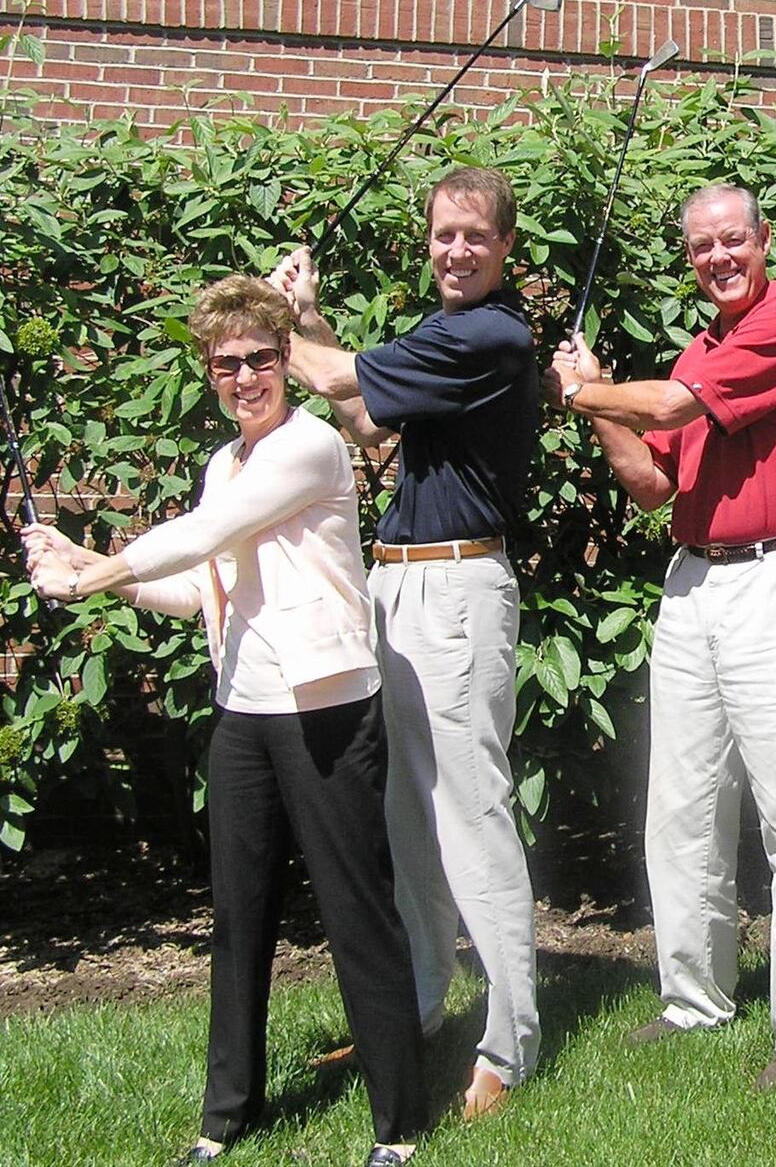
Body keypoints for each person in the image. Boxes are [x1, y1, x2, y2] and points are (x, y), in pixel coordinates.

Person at [25, 276, 426, 1167]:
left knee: (357, 910)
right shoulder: (225, 463)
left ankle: (399, 1123)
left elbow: (207, 534)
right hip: (243, 711)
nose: (246, 377)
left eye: (261, 360)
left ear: (286, 362)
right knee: (238, 917)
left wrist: (88, 572)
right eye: (226, 364)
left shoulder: (311, 447)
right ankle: (224, 1119)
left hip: (326, 709)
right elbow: (201, 585)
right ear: (209, 371)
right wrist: (98, 565)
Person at [545, 183, 776, 1091]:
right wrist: (595, 404)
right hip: (697, 580)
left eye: (733, 240)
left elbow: (677, 408)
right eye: (702, 248)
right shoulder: (700, 348)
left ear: (763, 240)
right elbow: (651, 482)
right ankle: (695, 996)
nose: (719, 257)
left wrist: (590, 387)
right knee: (679, 805)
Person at [268, 165, 540, 1118]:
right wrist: (304, 318)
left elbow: (340, 378)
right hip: (404, 583)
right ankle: (423, 1007)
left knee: (470, 815)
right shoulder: (439, 335)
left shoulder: (494, 334)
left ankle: (511, 1040)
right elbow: (365, 413)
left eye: (474, 235)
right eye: (442, 235)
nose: (455, 250)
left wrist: (274, 325)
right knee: (407, 818)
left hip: (457, 590)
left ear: (505, 247)